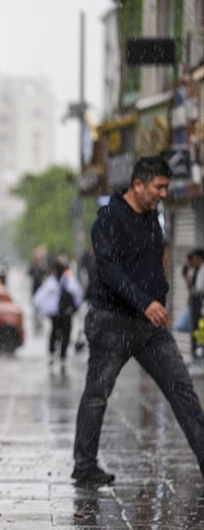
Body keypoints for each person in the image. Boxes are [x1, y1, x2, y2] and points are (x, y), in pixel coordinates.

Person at [72, 156, 204, 487]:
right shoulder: (108, 219)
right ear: (138, 185)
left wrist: (158, 296)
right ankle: (84, 466)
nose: (163, 194)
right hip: (111, 323)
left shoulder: (151, 219)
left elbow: (153, 266)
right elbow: (110, 271)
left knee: (182, 391)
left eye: (166, 187)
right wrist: (145, 302)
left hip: (149, 329)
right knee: (97, 394)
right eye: (158, 187)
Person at [31, 257, 84, 366]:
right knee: (59, 333)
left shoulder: (61, 281)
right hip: (60, 313)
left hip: (63, 313)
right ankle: (57, 354)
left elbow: (38, 298)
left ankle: (59, 355)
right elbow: (79, 294)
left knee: (60, 333)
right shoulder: (59, 281)